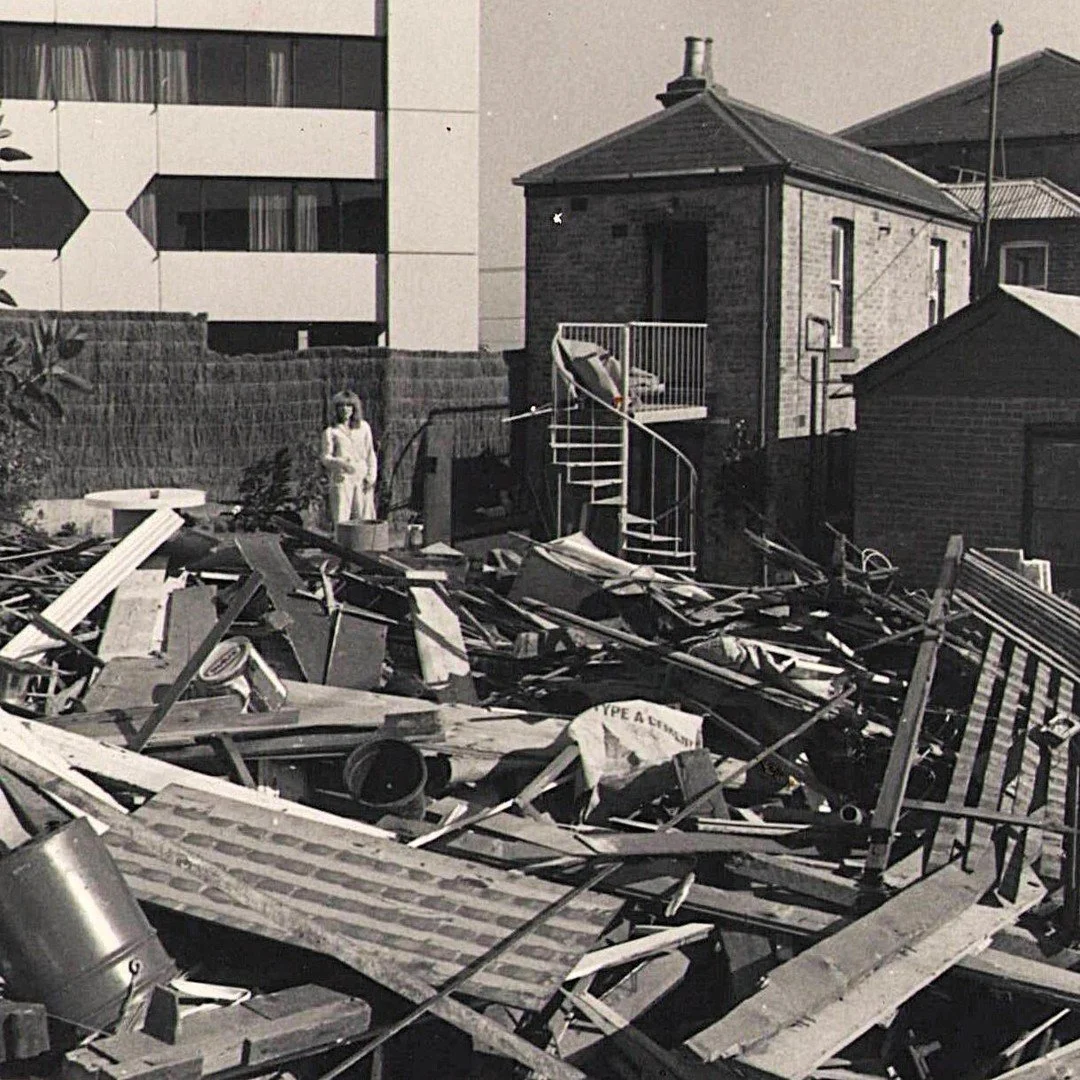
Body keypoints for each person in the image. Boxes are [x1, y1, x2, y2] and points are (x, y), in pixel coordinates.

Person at [321, 390, 378, 523]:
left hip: (361, 476)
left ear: (354, 408)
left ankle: (363, 543)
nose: (345, 409)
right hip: (342, 477)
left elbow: (370, 454)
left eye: (349, 406)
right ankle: (341, 543)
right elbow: (325, 457)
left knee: (364, 517)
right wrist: (340, 463)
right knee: (342, 516)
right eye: (341, 406)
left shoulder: (363, 427)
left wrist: (371, 477)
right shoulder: (331, 431)